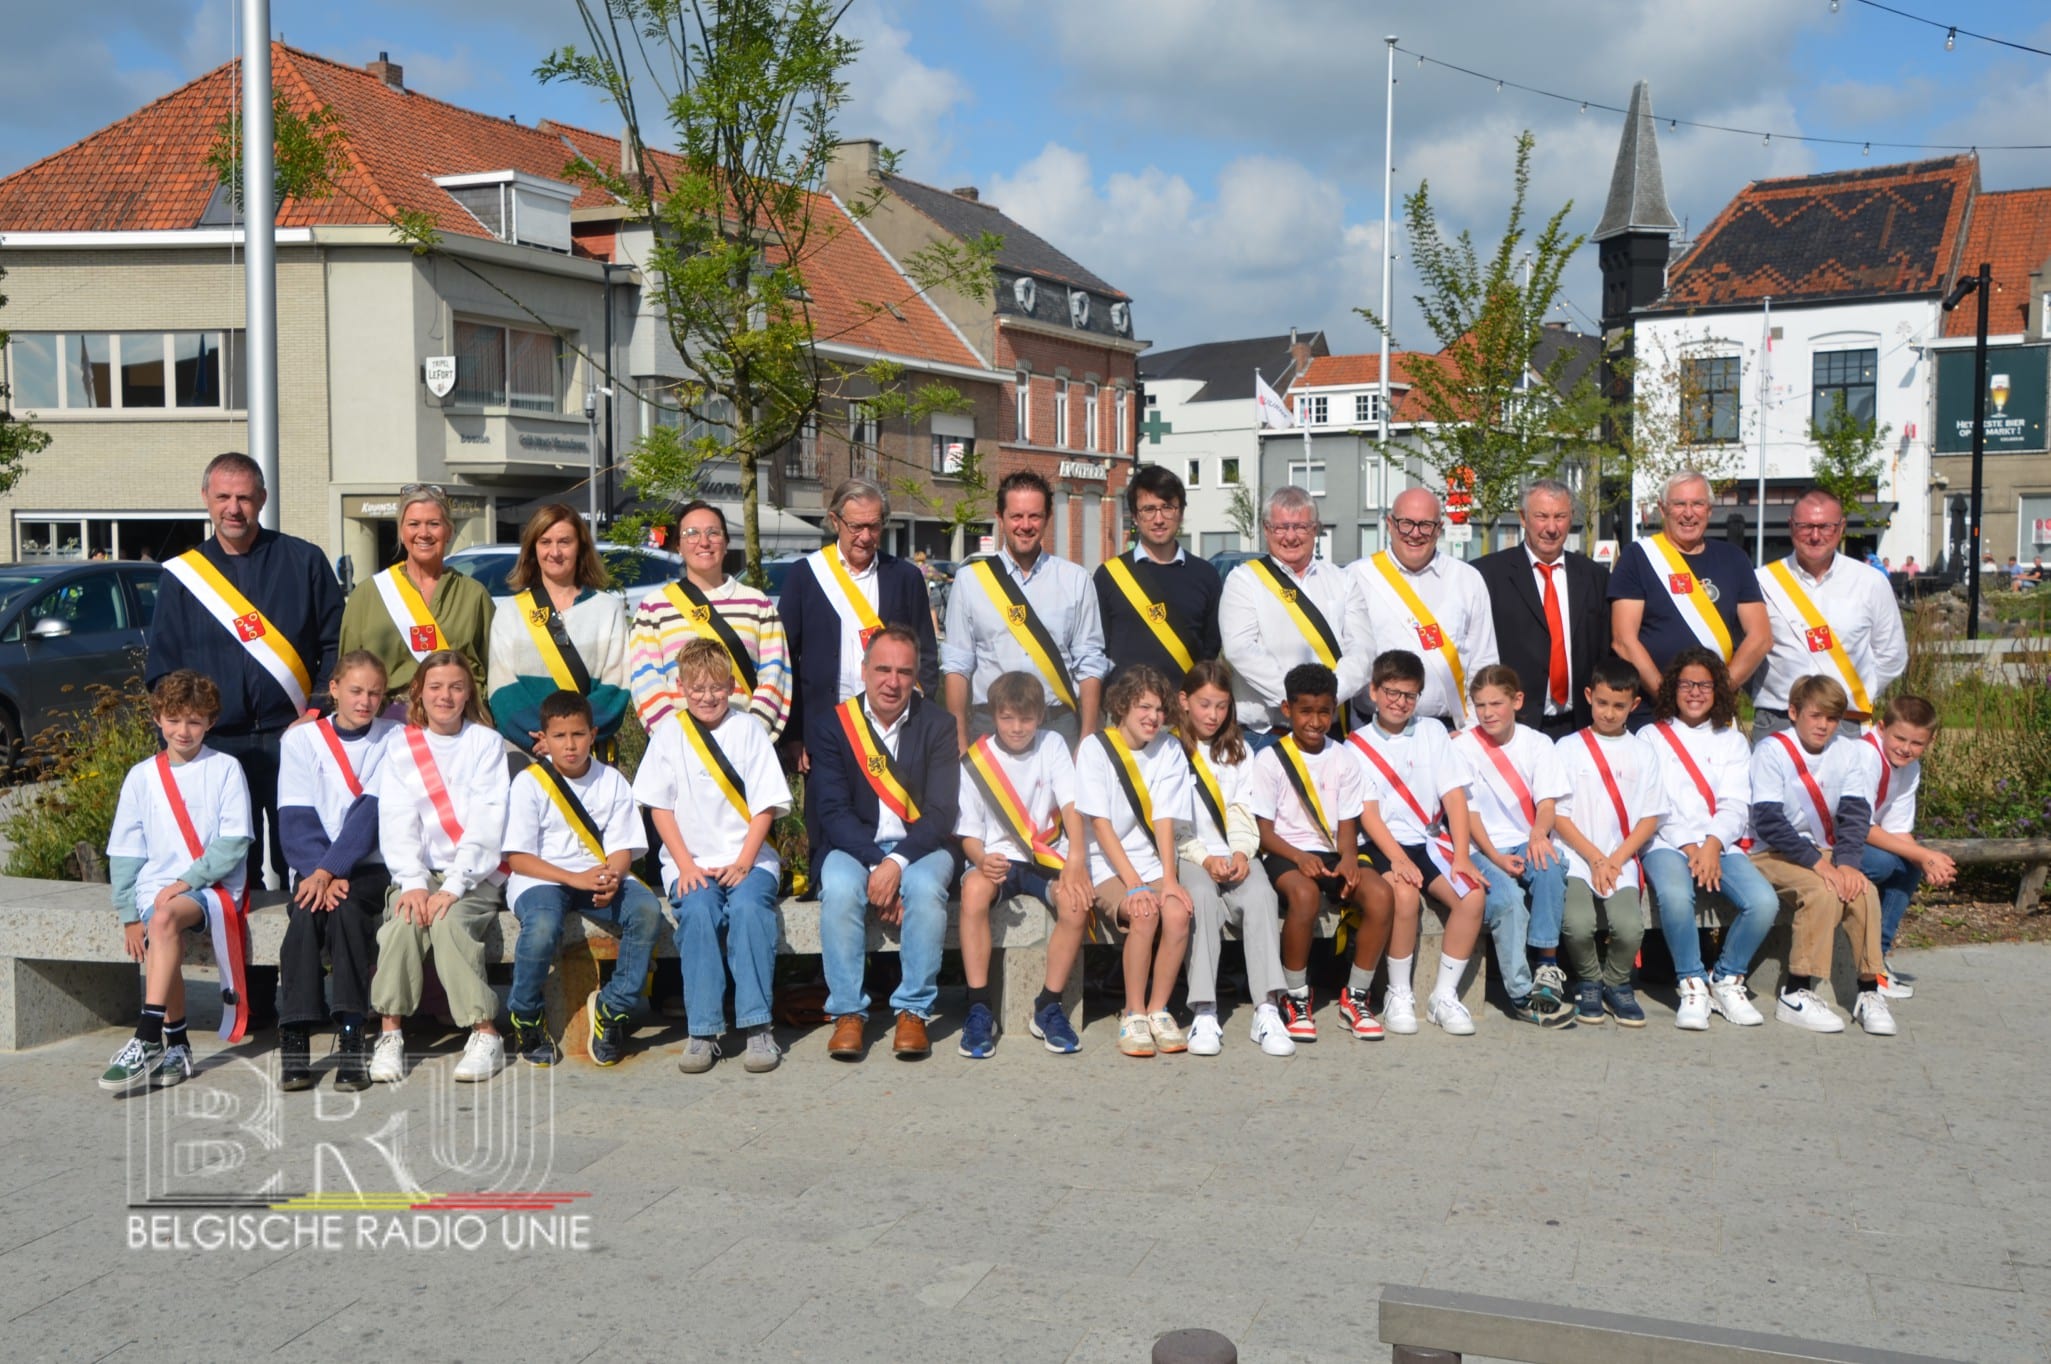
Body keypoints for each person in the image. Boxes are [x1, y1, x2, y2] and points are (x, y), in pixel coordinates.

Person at [150, 451, 342, 887]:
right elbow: (164, 668)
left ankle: (306, 953)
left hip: (293, 736)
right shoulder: (182, 576)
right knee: (232, 868)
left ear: (263, 498)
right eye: (223, 497)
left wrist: (314, 711)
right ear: (205, 498)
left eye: (244, 497)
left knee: (304, 859)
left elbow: (336, 645)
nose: (233, 508)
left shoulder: (305, 561)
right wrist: (181, 735)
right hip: (216, 745)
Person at [632, 639, 792, 1075]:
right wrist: (684, 865)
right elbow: (657, 806)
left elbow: (766, 806)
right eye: (698, 688)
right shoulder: (669, 733)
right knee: (699, 913)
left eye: (717, 688)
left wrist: (744, 862)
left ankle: (758, 1025)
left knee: (747, 910)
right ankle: (702, 1031)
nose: (708, 697)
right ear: (680, 687)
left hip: (750, 859)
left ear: (733, 686)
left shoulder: (749, 730)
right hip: (691, 862)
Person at [809, 627, 961, 1063]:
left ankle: (913, 1010)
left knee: (927, 889)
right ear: (863, 671)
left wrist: (895, 865)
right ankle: (848, 1013)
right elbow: (833, 812)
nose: (892, 681)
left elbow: (941, 812)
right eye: (882, 669)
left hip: (920, 847)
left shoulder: (939, 724)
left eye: (904, 672)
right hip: (855, 848)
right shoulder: (833, 726)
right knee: (838, 889)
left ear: (916, 678)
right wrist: (880, 867)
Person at [98, 671, 252, 1092]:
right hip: (156, 888)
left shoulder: (224, 769)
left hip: (212, 886)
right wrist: (130, 914)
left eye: (195, 721)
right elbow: (126, 851)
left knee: (164, 919)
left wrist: (187, 881)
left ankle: (148, 1036)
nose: (183, 731)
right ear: (158, 719)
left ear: (211, 723)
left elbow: (234, 842)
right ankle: (178, 1046)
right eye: (174, 719)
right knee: (161, 923)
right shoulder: (141, 776)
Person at [367, 650, 512, 1085]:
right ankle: (390, 1032)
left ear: (469, 693)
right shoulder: (400, 745)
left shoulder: (485, 743)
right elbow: (395, 819)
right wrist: (412, 883)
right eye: (435, 687)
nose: (445, 696)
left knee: (449, 924)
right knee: (402, 924)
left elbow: (489, 818)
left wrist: (454, 885)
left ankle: (484, 1032)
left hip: (474, 874)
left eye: (455, 686)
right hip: (419, 873)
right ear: (419, 692)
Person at [777, 478, 939, 863]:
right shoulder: (806, 575)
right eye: (856, 526)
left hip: (894, 726)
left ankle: (896, 884)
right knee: (828, 830)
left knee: (896, 823)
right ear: (835, 521)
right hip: (827, 727)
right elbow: (786, 659)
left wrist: (916, 715)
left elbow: (927, 655)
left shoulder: (905, 577)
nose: (866, 536)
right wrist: (793, 735)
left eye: (875, 526)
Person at [503, 691, 667, 1068]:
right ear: (543, 739)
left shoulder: (611, 780)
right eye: (559, 736)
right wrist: (574, 878)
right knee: (542, 925)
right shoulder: (530, 783)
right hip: (541, 879)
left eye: (578, 734)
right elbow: (519, 858)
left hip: (596, 876)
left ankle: (613, 1009)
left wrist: (614, 875)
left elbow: (623, 846)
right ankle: (526, 1014)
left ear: (593, 734)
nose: (570, 745)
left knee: (644, 910)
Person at [1347, 651, 1488, 1037]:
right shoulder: (1355, 745)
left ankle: (1443, 995)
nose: (1399, 702)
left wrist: (1461, 856)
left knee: (1472, 895)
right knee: (1405, 897)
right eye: (1391, 692)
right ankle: (1399, 991)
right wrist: (1396, 859)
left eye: (1409, 695)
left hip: (1428, 840)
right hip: (1381, 844)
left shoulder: (1432, 732)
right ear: (1373, 692)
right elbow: (1369, 814)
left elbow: (1454, 796)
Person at [954, 670, 1093, 1056]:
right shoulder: (976, 760)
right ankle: (980, 1006)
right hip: (997, 859)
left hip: (1045, 856)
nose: (1017, 728)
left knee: (1076, 902)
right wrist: (981, 859)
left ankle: (1048, 1006)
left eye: (1026, 718)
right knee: (974, 892)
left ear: (1041, 718)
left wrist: (1076, 858)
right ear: (993, 715)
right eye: (1007, 718)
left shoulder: (1052, 746)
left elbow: (1071, 803)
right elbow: (968, 833)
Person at [1748, 674, 1894, 1036]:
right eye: (1815, 716)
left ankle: (1869, 991)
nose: (1824, 725)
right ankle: (1797, 992)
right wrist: (1820, 865)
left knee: (1863, 890)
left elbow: (1855, 814)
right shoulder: (1772, 750)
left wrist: (1846, 864)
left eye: (1832, 718)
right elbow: (1768, 821)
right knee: (1822, 890)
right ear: (1794, 712)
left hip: (1824, 852)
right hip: (1772, 852)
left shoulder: (1849, 751)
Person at [1641, 648, 1780, 1031]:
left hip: (1720, 843)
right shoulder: (1650, 736)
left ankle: (1727, 977)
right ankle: (1691, 982)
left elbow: (1736, 802)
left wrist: (1713, 845)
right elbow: (1655, 803)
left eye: (1704, 684)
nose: (1695, 692)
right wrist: (1691, 848)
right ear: (1673, 688)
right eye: (1686, 684)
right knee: (1673, 895)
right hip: (1667, 841)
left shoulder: (1732, 740)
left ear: (1718, 690)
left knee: (1763, 901)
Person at [275, 651, 395, 1091]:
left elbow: (371, 815)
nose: (365, 701)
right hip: (312, 867)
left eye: (375, 693)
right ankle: (296, 1034)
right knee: (305, 914)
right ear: (335, 689)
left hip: (368, 866)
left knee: (347, 913)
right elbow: (294, 816)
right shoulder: (301, 741)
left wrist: (331, 871)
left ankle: (350, 1033)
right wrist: (318, 872)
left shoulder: (394, 738)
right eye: (357, 691)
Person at [1250, 662, 1385, 1043]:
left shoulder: (1343, 757)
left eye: (1324, 711)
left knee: (1379, 894)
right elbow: (1264, 832)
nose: (1315, 720)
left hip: (1332, 852)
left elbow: (1348, 822)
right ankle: (1295, 994)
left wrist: (1346, 859)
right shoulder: (1270, 759)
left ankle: (1356, 996)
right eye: (1305, 711)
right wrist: (1298, 858)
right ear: (1287, 709)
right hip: (1285, 852)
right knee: (1305, 895)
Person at [1176, 660, 1295, 1057]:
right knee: (1202, 901)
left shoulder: (1239, 749)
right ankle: (1204, 1010)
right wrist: (1205, 859)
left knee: (1262, 896)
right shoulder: (1170, 750)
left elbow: (1245, 809)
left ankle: (1267, 1008)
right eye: (1205, 704)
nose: (1213, 715)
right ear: (1184, 701)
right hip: (1190, 855)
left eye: (1222, 706)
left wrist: (1243, 852)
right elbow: (1171, 824)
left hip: (1236, 851)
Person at [1077, 666, 1197, 1058]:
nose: (1154, 717)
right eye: (1144, 706)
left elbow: (1164, 819)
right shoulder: (1095, 748)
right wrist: (1136, 884)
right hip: (1105, 865)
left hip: (1151, 862)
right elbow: (1101, 825)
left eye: (1160, 709)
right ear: (1122, 706)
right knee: (1144, 912)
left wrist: (1169, 879)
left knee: (1177, 913)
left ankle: (1159, 1010)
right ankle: (1133, 1012)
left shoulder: (1170, 748)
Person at [942, 470, 1109, 749]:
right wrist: (959, 741)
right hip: (990, 725)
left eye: (1035, 516)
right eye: (1016, 516)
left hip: (1058, 727)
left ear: (1047, 519)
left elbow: (1090, 664)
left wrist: (1087, 740)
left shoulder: (1076, 580)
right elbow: (957, 665)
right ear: (1000, 517)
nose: (1025, 525)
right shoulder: (970, 580)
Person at [1450, 664, 1573, 1028]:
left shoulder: (1538, 743)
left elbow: (1547, 803)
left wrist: (1538, 834)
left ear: (1517, 701)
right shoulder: (1463, 747)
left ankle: (1547, 966)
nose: (1488, 714)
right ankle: (1521, 993)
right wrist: (1496, 858)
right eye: (1480, 705)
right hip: (1478, 848)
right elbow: (1468, 814)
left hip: (1524, 838)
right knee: (1506, 899)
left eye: (1496, 704)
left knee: (1549, 864)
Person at [1551, 657, 1665, 1026]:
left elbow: (1650, 816)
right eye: (1602, 703)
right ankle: (1589, 981)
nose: (1609, 713)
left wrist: (1615, 859)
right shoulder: (1566, 748)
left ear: (1634, 705)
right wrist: (1596, 859)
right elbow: (1557, 814)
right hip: (1576, 855)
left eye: (1619, 706)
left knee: (1630, 928)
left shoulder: (1644, 752)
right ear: (1588, 697)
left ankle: (1616, 983)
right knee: (1577, 923)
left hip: (1621, 858)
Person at [1752, 489, 1907, 742]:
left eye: (1826, 526)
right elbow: (1745, 649)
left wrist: (1855, 691)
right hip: (1778, 720)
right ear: (1791, 526)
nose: (1815, 536)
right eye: (1806, 526)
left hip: (1845, 721)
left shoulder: (1870, 582)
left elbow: (1892, 654)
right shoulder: (1761, 582)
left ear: (1841, 527)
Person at [628, 500, 791, 740]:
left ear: (726, 543)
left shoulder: (758, 604)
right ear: (678, 546)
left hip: (746, 748)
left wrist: (750, 737)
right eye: (691, 533)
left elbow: (775, 674)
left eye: (713, 533)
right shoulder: (653, 608)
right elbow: (646, 679)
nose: (704, 542)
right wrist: (677, 738)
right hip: (679, 747)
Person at [1218, 486, 1373, 737]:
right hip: (1268, 733)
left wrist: (1330, 695)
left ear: (1316, 529)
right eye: (1280, 527)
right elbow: (1241, 650)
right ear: (1266, 530)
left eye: (1301, 527)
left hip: (1332, 730)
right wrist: (1298, 701)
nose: (1290, 537)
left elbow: (1363, 650)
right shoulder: (1244, 581)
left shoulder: (1342, 580)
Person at [1610, 470, 1771, 704]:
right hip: (1654, 709)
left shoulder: (1734, 559)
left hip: (1715, 710)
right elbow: (1624, 641)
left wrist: (1715, 697)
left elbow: (1761, 637)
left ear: (1709, 510)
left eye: (1697, 504)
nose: (1688, 513)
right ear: (1663, 509)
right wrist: (1669, 701)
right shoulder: (1637, 557)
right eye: (1679, 504)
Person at [1474, 479, 1612, 739]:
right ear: (1524, 518)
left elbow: (1604, 650)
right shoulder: (1487, 575)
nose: (1551, 528)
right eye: (1541, 516)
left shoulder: (1595, 577)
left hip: (1580, 727)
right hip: (1514, 728)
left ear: (1571, 519)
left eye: (1560, 517)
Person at [1839, 694, 1957, 999]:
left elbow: (1898, 830)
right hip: (1831, 841)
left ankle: (1876, 957)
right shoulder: (1865, 756)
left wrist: (1930, 861)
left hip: (1857, 840)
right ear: (1881, 728)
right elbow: (1859, 826)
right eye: (1900, 738)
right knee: (1885, 863)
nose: (1906, 748)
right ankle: (1863, 956)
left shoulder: (1909, 768)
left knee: (1909, 865)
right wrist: (1922, 854)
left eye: (1916, 743)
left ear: (1930, 741)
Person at [487, 504, 632, 751]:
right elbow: (501, 688)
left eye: (565, 542)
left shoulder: (608, 609)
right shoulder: (510, 612)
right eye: (545, 542)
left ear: (581, 547)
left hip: (589, 754)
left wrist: (571, 739)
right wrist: (545, 739)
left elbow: (616, 685)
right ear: (533, 548)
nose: (555, 552)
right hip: (527, 752)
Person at [339, 484, 495, 711]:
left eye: (434, 524)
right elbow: (347, 669)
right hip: (388, 725)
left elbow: (495, 668)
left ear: (449, 531)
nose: (424, 533)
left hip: (457, 721)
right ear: (401, 532)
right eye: (414, 524)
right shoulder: (368, 594)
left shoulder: (473, 594)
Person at [1351, 489, 1499, 728]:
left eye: (1426, 525)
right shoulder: (1357, 577)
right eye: (1406, 523)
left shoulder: (1467, 579)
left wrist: (1472, 730)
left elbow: (1484, 663)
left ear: (1439, 529)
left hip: (1449, 730)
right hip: (1374, 730)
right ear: (1390, 524)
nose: (1415, 534)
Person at [1092, 465, 1222, 691]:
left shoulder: (1206, 574)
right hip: (1126, 712)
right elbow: (1097, 649)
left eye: (1167, 508)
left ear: (1180, 513)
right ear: (1134, 516)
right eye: (1148, 509)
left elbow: (1211, 650)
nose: (1158, 519)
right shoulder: (1109, 576)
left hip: (1185, 712)